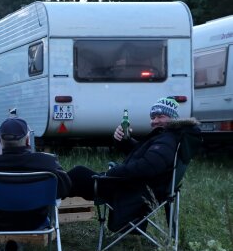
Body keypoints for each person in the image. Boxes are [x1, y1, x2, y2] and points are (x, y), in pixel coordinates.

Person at [66, 97, 201, 227]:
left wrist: (112, 173)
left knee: (77, 174)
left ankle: (46, 211)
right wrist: (125, 141)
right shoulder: (167, 137)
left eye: (160, 116)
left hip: (132, 192)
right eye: (153, 117)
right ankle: (49, 206)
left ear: (173, 118)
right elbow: (145, 155)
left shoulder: (167, 140)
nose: (155, 121)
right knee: (72, 177)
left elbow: (147, 167)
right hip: (137, 188)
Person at [0, 117, 72, 251]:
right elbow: (66, 188)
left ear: (0, 141)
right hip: (36, 221)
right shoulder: (48, 163)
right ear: (28, 140)